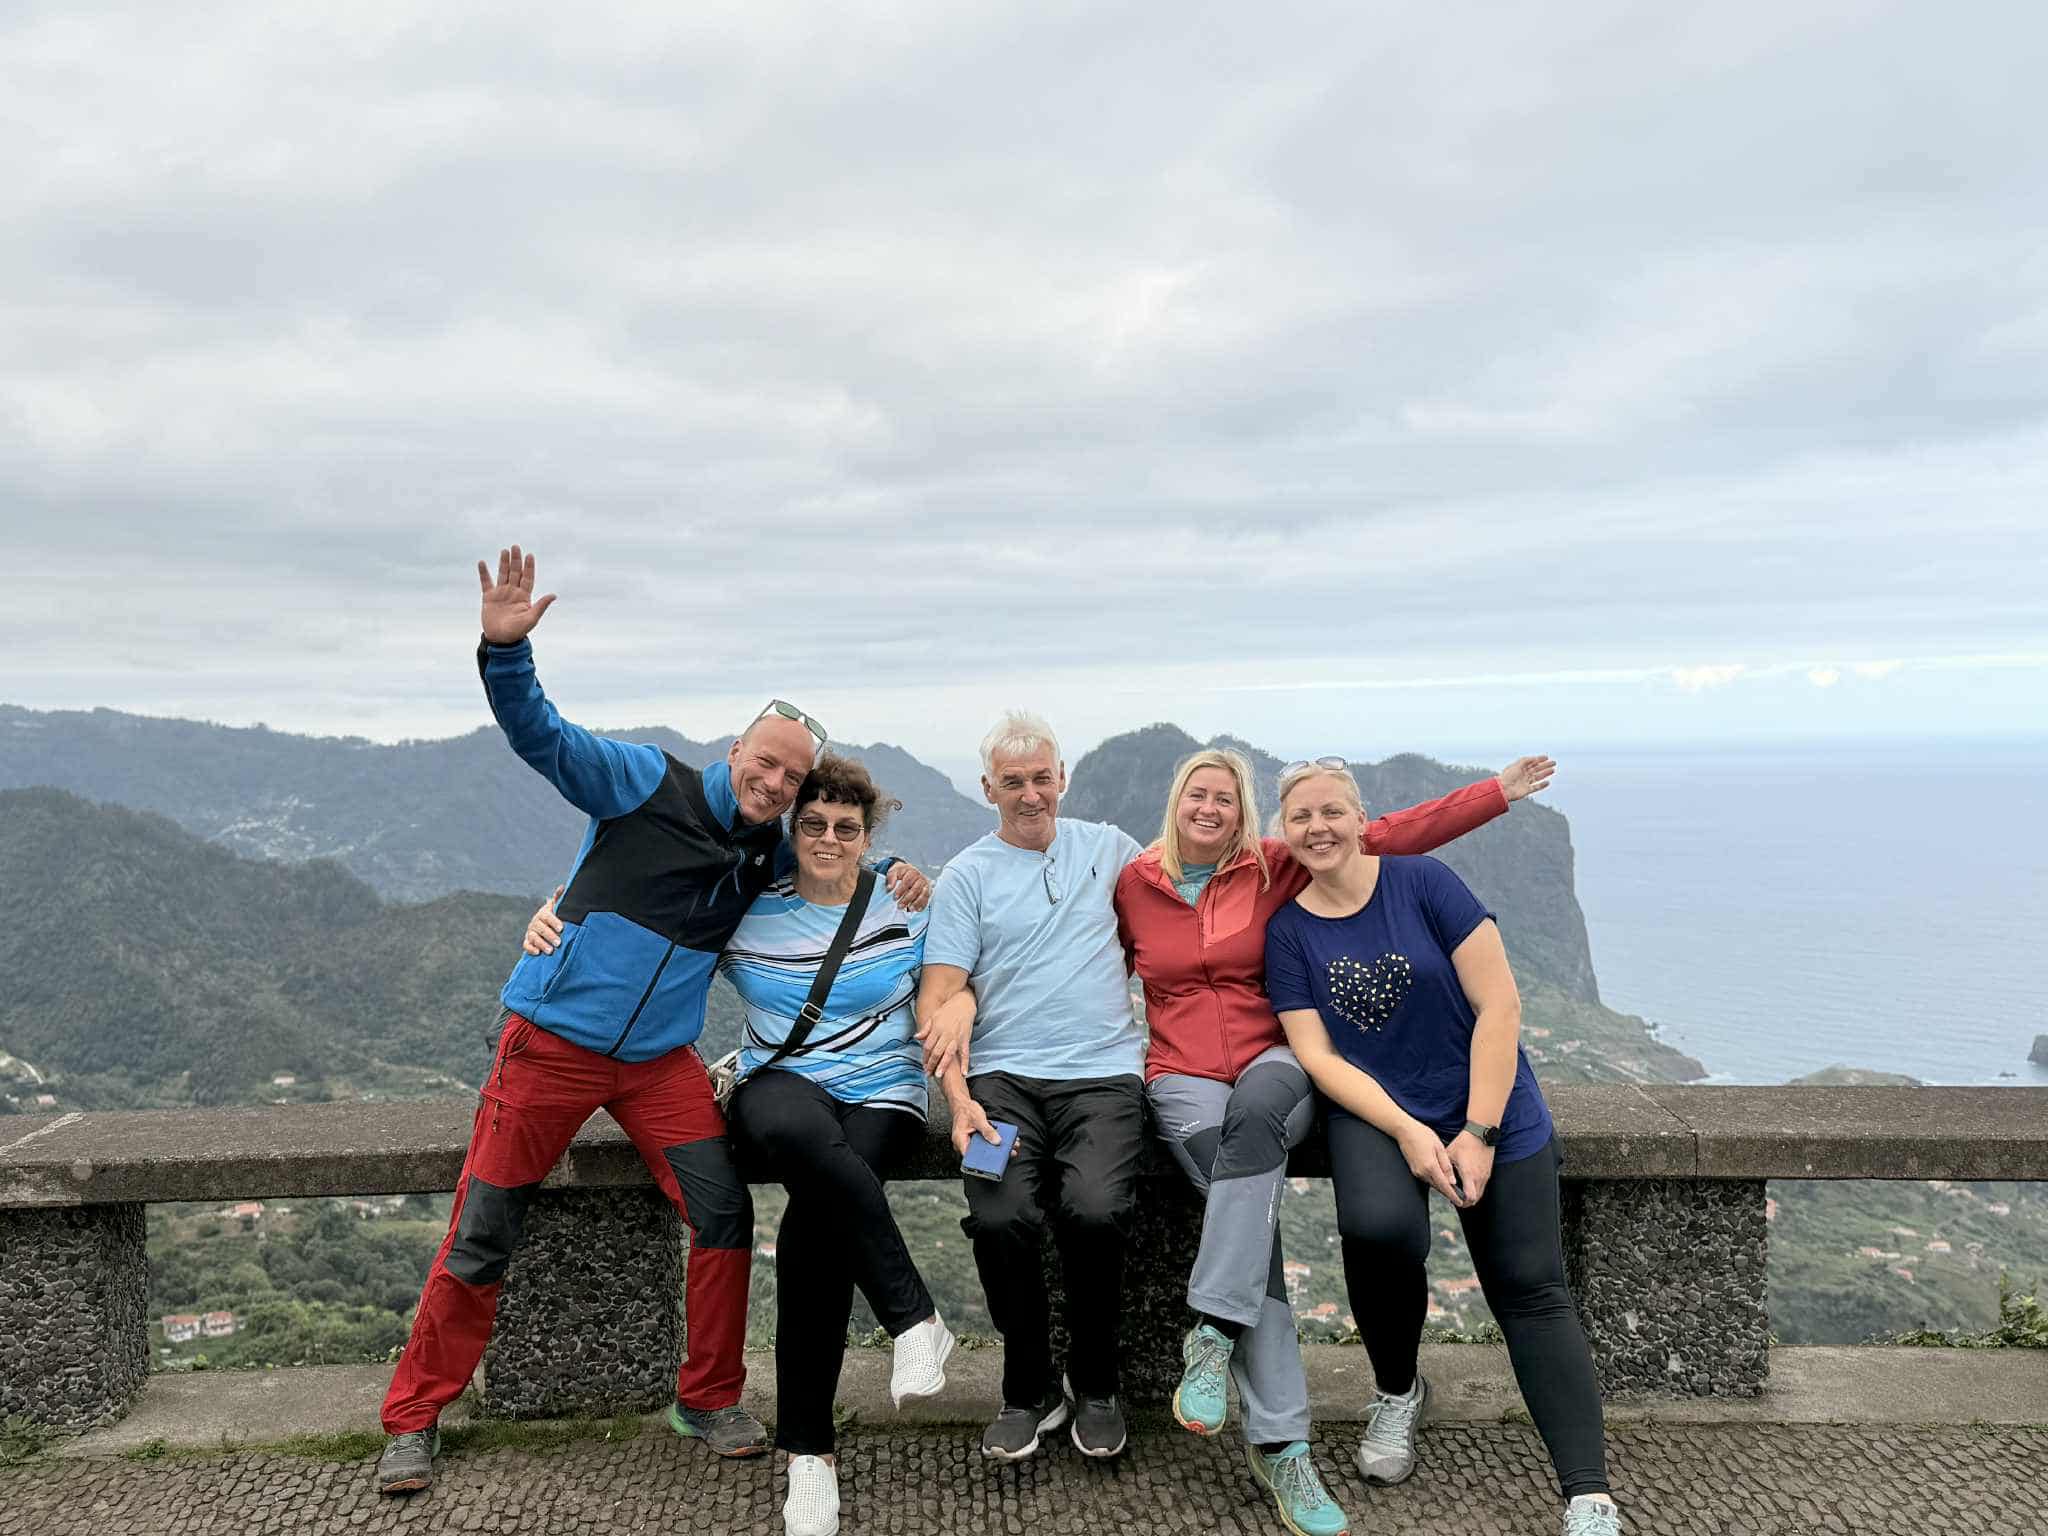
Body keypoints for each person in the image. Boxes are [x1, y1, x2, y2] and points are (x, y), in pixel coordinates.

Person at [375, 546, 926, 1497]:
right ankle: (414, 1415)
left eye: (792, 778)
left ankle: (707, 1398)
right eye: (766, 763)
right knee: (483, 1228)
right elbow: (543, 736)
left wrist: (899, 875)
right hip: (550, 1046)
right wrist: (504, 651)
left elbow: (834, 868)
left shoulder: (767, 851)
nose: (776, 785)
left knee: (722, 1210)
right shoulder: (641, 782)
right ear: (735, 752)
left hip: (658, 1062)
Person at [526, 753, 968, 1536]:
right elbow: (649, 912)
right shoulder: (750, 907)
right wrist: (556, 911)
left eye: (846, 828)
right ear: (791, 831)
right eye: (813, 824)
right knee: (789, 1129)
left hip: (882, 1090)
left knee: (812, 1233)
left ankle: (810, 1456)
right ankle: (914, 1318)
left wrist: (959, 1006)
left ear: (868, 838)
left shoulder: (906, 904)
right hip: (780, 1081)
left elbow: (956, 981)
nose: (828, 839)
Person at [1115, 747, 1551, 1536]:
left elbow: (1390, 834)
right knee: (1249, 1219)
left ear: (1245, 813)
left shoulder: (1276, 863)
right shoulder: (1133, 884)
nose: (1209, 809)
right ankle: (1282, 1447)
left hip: (1275, 1061)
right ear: (1174, 802)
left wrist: (1495, 793)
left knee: (1252, 1138)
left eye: (1224, 798)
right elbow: (1064, 948)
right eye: (1196, 795)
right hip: (1182, 1074)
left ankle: (1213, 1333)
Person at [1264, 759, 1620, 1536]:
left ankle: (1589, 1495)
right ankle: (1398, 1391)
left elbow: (1500, 1005)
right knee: (1379, 1231)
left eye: (1332, 812)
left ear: (1362, 820)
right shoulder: (1288, 931)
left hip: (1490, 1102)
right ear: (1283, 833)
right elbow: (1318, 1056)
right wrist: (1406, 1127)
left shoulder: (1424, 883)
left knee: (1529, 1286)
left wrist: (1479, 1131)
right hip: (1377, 1109)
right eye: (1301, 817)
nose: (1318, 828)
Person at [915, 710, 1148, 1462]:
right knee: (997, 1215)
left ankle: (1096, 1381)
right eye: (1012, 782)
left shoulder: (1110, 850)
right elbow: (938, 998)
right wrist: (960, 1102)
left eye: (1041, 778)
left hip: (1102, 1076)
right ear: (988, 789)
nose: (1029, 794)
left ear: (1062, 779)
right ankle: (1027, 1387)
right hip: (999, 1082)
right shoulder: (967, 876)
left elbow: (1187, 897)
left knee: (1097, 1209)